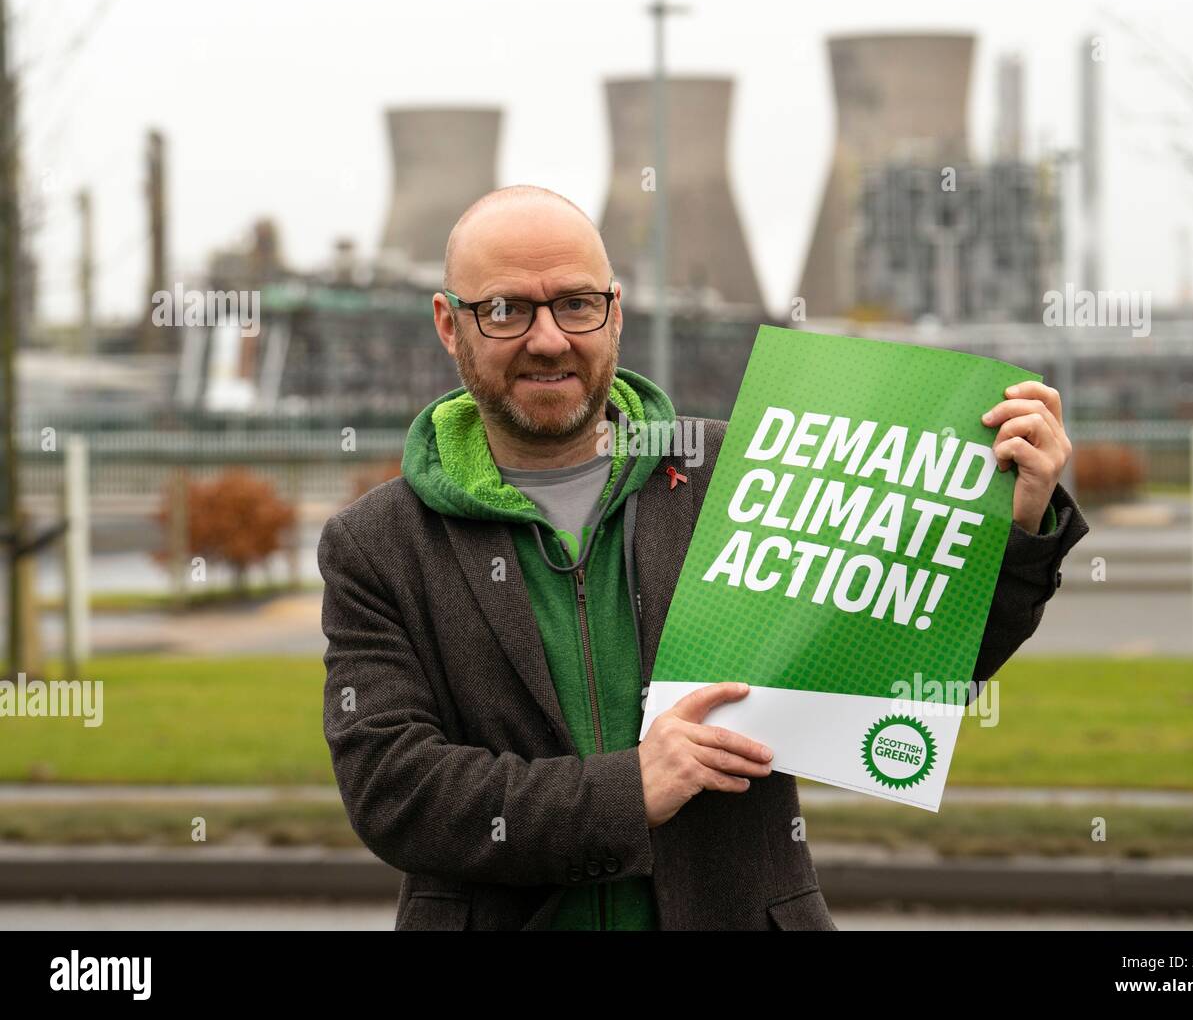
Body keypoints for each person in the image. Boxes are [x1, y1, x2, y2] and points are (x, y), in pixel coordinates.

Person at [317, 184, 1089, 931]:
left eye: (577, 304)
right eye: (506, 309)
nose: (548, 339)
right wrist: (626, 792)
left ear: (615, 314)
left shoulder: (741, 473)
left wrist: (1014, 531)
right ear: (450, 325)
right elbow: (395, 789)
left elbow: (902, 673)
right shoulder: (379, 545)